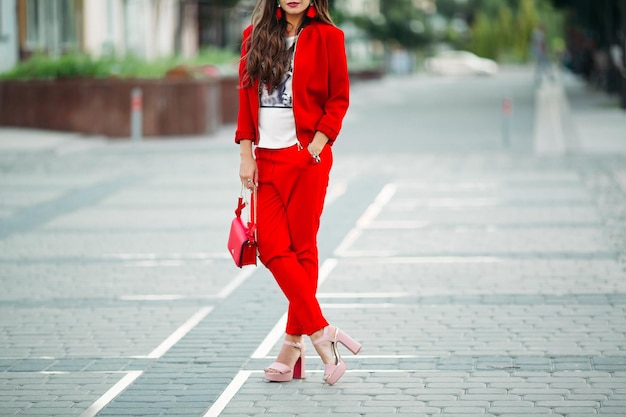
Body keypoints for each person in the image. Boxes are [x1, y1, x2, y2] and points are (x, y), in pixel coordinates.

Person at [235, 0, 361, 385]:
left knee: (303, 248)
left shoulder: (328, 38)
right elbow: (245, 98)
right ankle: (321, 333)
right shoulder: (252, 37)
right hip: (266, 161)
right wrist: (246, 153)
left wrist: (318, 144)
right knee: (273, 249)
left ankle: (292, 346)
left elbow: (339, 98)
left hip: (307, 159)